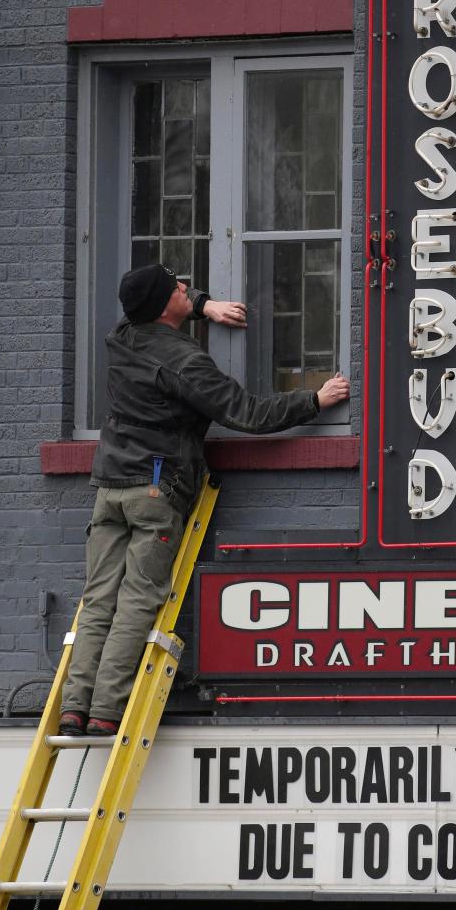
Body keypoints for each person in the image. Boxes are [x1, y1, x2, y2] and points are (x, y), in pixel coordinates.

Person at [59, 263, 349, 736]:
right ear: (161, 305)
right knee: (137, 601)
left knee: (97, 601)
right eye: (176, 287)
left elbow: (158, 301)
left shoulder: (122, 335)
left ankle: (73, 705)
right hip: (154, 492)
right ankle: (106, 711)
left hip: (109, 487)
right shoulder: (183, 362)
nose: (184, 287)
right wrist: (314, 400)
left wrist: (203, 305)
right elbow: (247, 413)